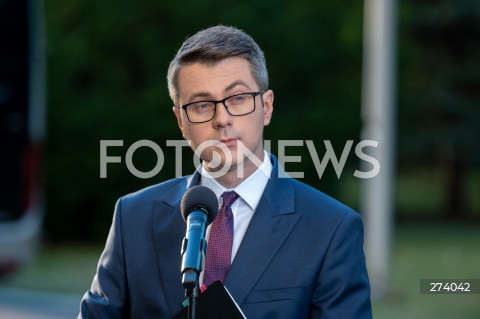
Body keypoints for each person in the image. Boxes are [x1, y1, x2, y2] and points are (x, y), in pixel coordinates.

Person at [78, 25, 372, 318]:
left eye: (237, 99)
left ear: (266, 107)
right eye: (203, 105)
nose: (222, 119)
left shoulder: (331, 228)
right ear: (181, 121)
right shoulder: (133, 217)